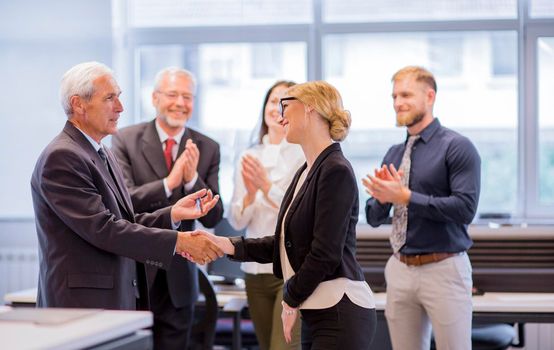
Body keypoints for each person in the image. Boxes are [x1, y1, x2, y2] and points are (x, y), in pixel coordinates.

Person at [197, 81, 377, 349]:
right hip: (317, 309)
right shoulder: (307, 170)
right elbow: (285, 242)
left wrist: (289, 298)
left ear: (309, 109)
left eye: (286, 105)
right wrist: (228, 245)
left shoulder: (335, 170)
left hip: (340, 310)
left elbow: (325, 253)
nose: (281, 116)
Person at [31, 61, 223, 312]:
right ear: (78, 104)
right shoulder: (63, 157)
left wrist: (172, 214)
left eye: (119, 97)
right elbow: (104, 229)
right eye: (110, 98)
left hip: (108, 300)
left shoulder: (101, 152)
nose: (120, 107)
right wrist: (179, 241)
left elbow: (124, 219)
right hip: (81, 306)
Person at [362, 66, 481, 350]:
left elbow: (464, 208)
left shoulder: (458, 147)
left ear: (430, 96)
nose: (397, 103)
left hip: (444, 268)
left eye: (405, 94)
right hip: (399, 268)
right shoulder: (394, 153)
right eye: (393, 96)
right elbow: (373, 217)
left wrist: (405, 196)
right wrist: (381, 198)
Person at [111, 67, 224, 350]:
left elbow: (214, 217)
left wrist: (190, 182)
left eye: (187, 96)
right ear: (155, 98)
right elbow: (123, 203)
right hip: (136, 274)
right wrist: (168, 183)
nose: (180, 103)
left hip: (180, 278)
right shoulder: (125, 139)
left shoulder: (207, 147)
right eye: (173, 94)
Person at [228, 80, 304, 350]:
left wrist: (265, 186)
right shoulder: (249, 156)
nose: (277, 108)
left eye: (286, 102)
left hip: (289, 270)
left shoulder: (303, 154)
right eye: (273, 101)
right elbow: (237, 220)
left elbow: (298, 214)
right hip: (253, 270)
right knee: (264, 345)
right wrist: (250, 194)